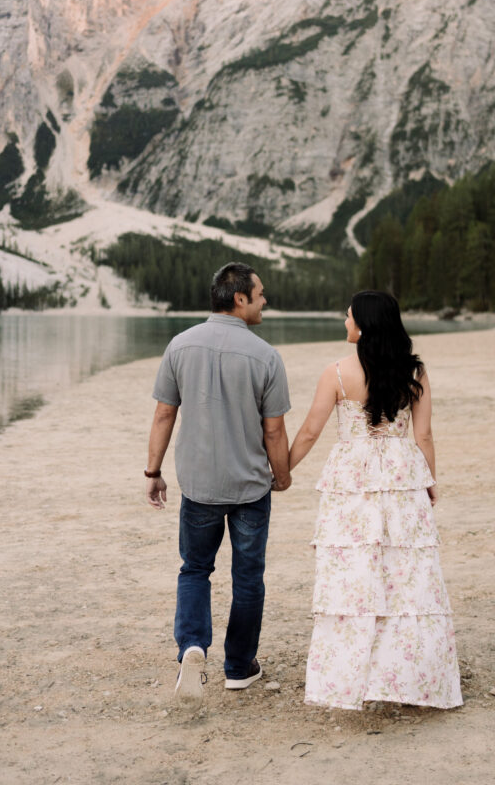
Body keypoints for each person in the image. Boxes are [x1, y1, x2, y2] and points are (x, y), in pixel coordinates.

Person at [289, 290, 463, 711]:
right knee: (406, 577)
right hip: (402, 475)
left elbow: (311, 430)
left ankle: (350, 679)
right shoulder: (414, 370)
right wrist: (429, 479)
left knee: (354, 576)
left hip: (353, 479)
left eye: (348, 317)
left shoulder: (336, 372)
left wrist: (284, 470)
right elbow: (423, 435)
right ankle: (408, 679)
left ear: (364, 325)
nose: (344, 323)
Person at [145, 262, 292, 712]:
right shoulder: (265, 356)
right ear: (240, 299)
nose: (266, 300)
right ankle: (239, 667)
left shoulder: (180, 345)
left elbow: (164, 415)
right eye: (261, 294)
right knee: (247, 578)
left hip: (199, 486)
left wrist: (153, 472)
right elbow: (273, 433)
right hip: (249, 487)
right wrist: (282, 474)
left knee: (194, 569)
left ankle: (192, 646)